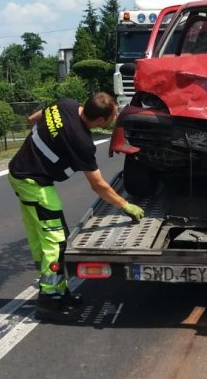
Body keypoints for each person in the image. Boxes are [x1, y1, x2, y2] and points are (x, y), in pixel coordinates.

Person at [8, 93, 145, 321]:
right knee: (56, 242)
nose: (114, 119)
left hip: (19, 172)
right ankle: (49, 301)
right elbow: (98, 185)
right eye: (112, 116)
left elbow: (34, 118)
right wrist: (125, 205)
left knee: (39, 236)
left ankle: (59, 292)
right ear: (101, 120)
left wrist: (41, 141)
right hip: (34, 183)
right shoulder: (82, 142)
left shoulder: (66, 104)